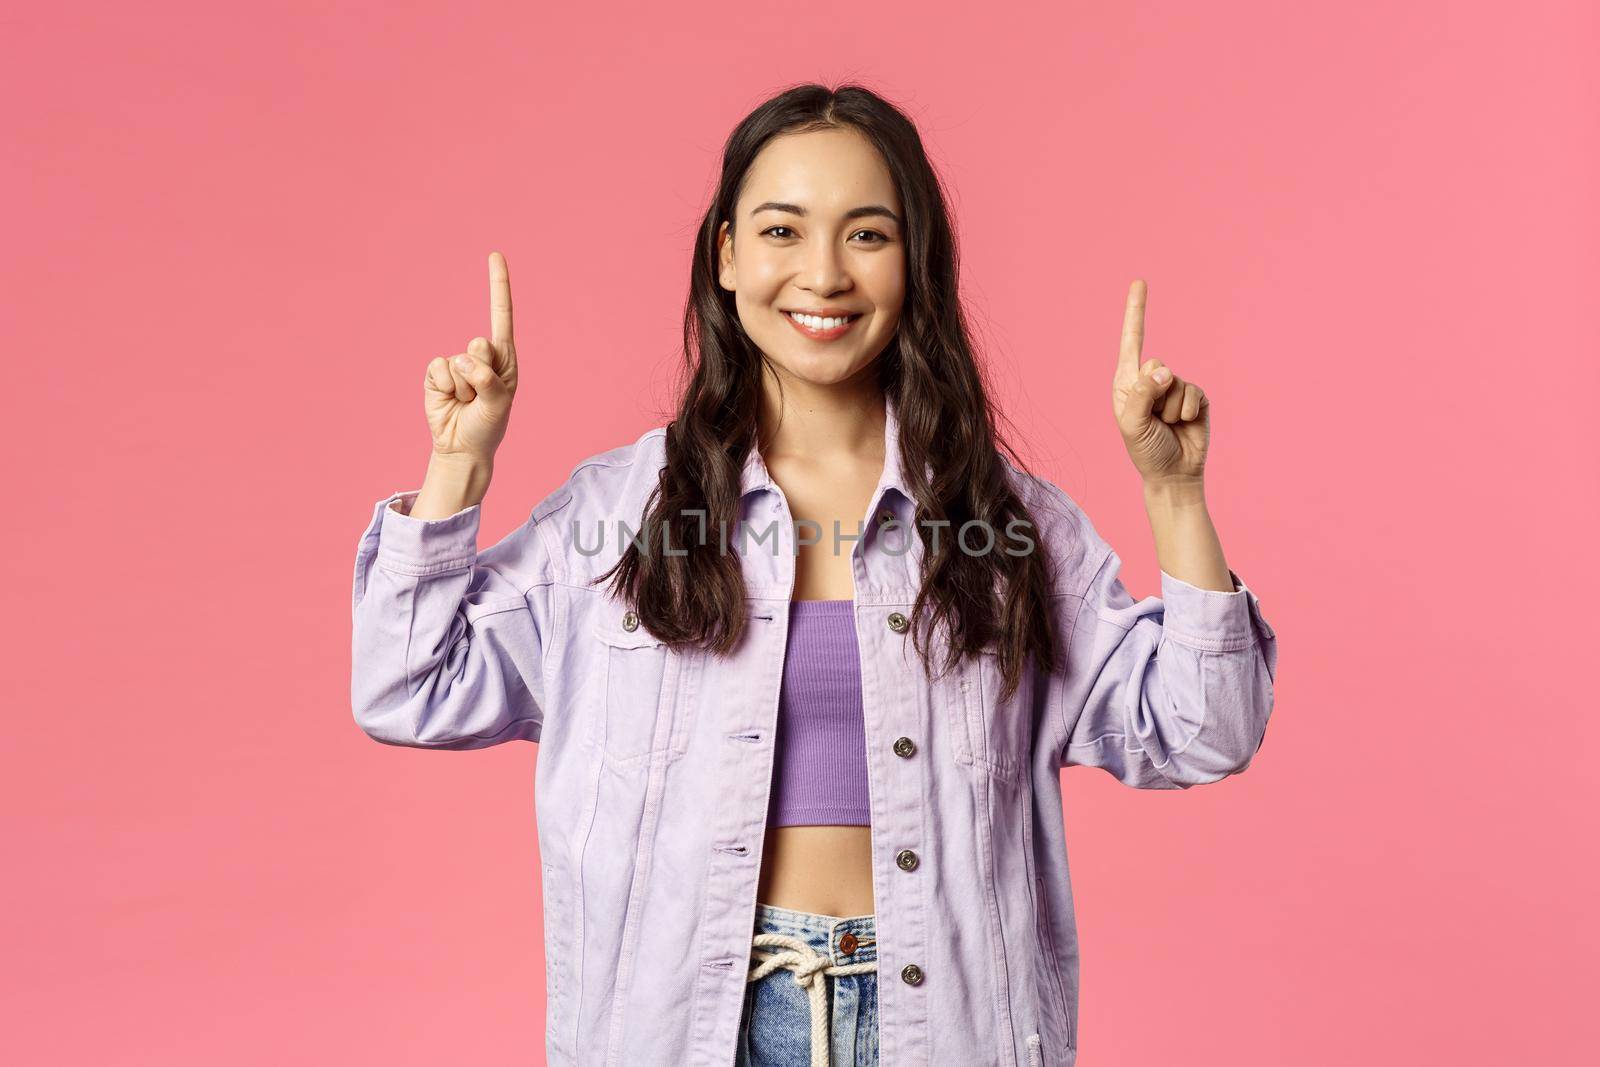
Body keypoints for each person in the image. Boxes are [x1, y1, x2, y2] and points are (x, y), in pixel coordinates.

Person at [350, 83, 1279, 1067]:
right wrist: (458, 467)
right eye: (782, 230)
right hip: (692, 1026)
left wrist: (1174, 493)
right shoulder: (616, 514)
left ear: (913, 263)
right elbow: (409, 686)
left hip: (948, 1028)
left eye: (867, 235)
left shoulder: (1005, 527)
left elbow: (1203, 730)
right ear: (727, 258)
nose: (822, 274)